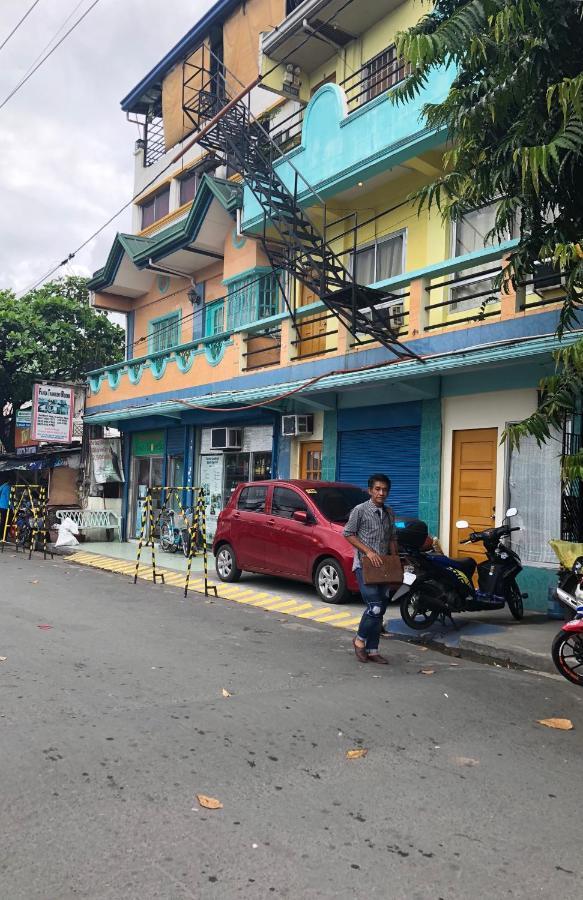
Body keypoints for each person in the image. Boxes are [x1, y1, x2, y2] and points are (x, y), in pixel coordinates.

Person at [344, 473, 398, 664]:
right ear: (370, 490)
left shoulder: (389, 512)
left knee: (381, 609)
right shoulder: (359, 510)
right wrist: (368, 552)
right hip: (364, 565)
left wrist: (394, 560)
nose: (381, 493)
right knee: (374, 607)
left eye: (384, 490)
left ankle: (373, 649)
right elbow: (348, 533)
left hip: (383, 567)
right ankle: (359, 640)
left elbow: (392, 537)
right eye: (377, 489)